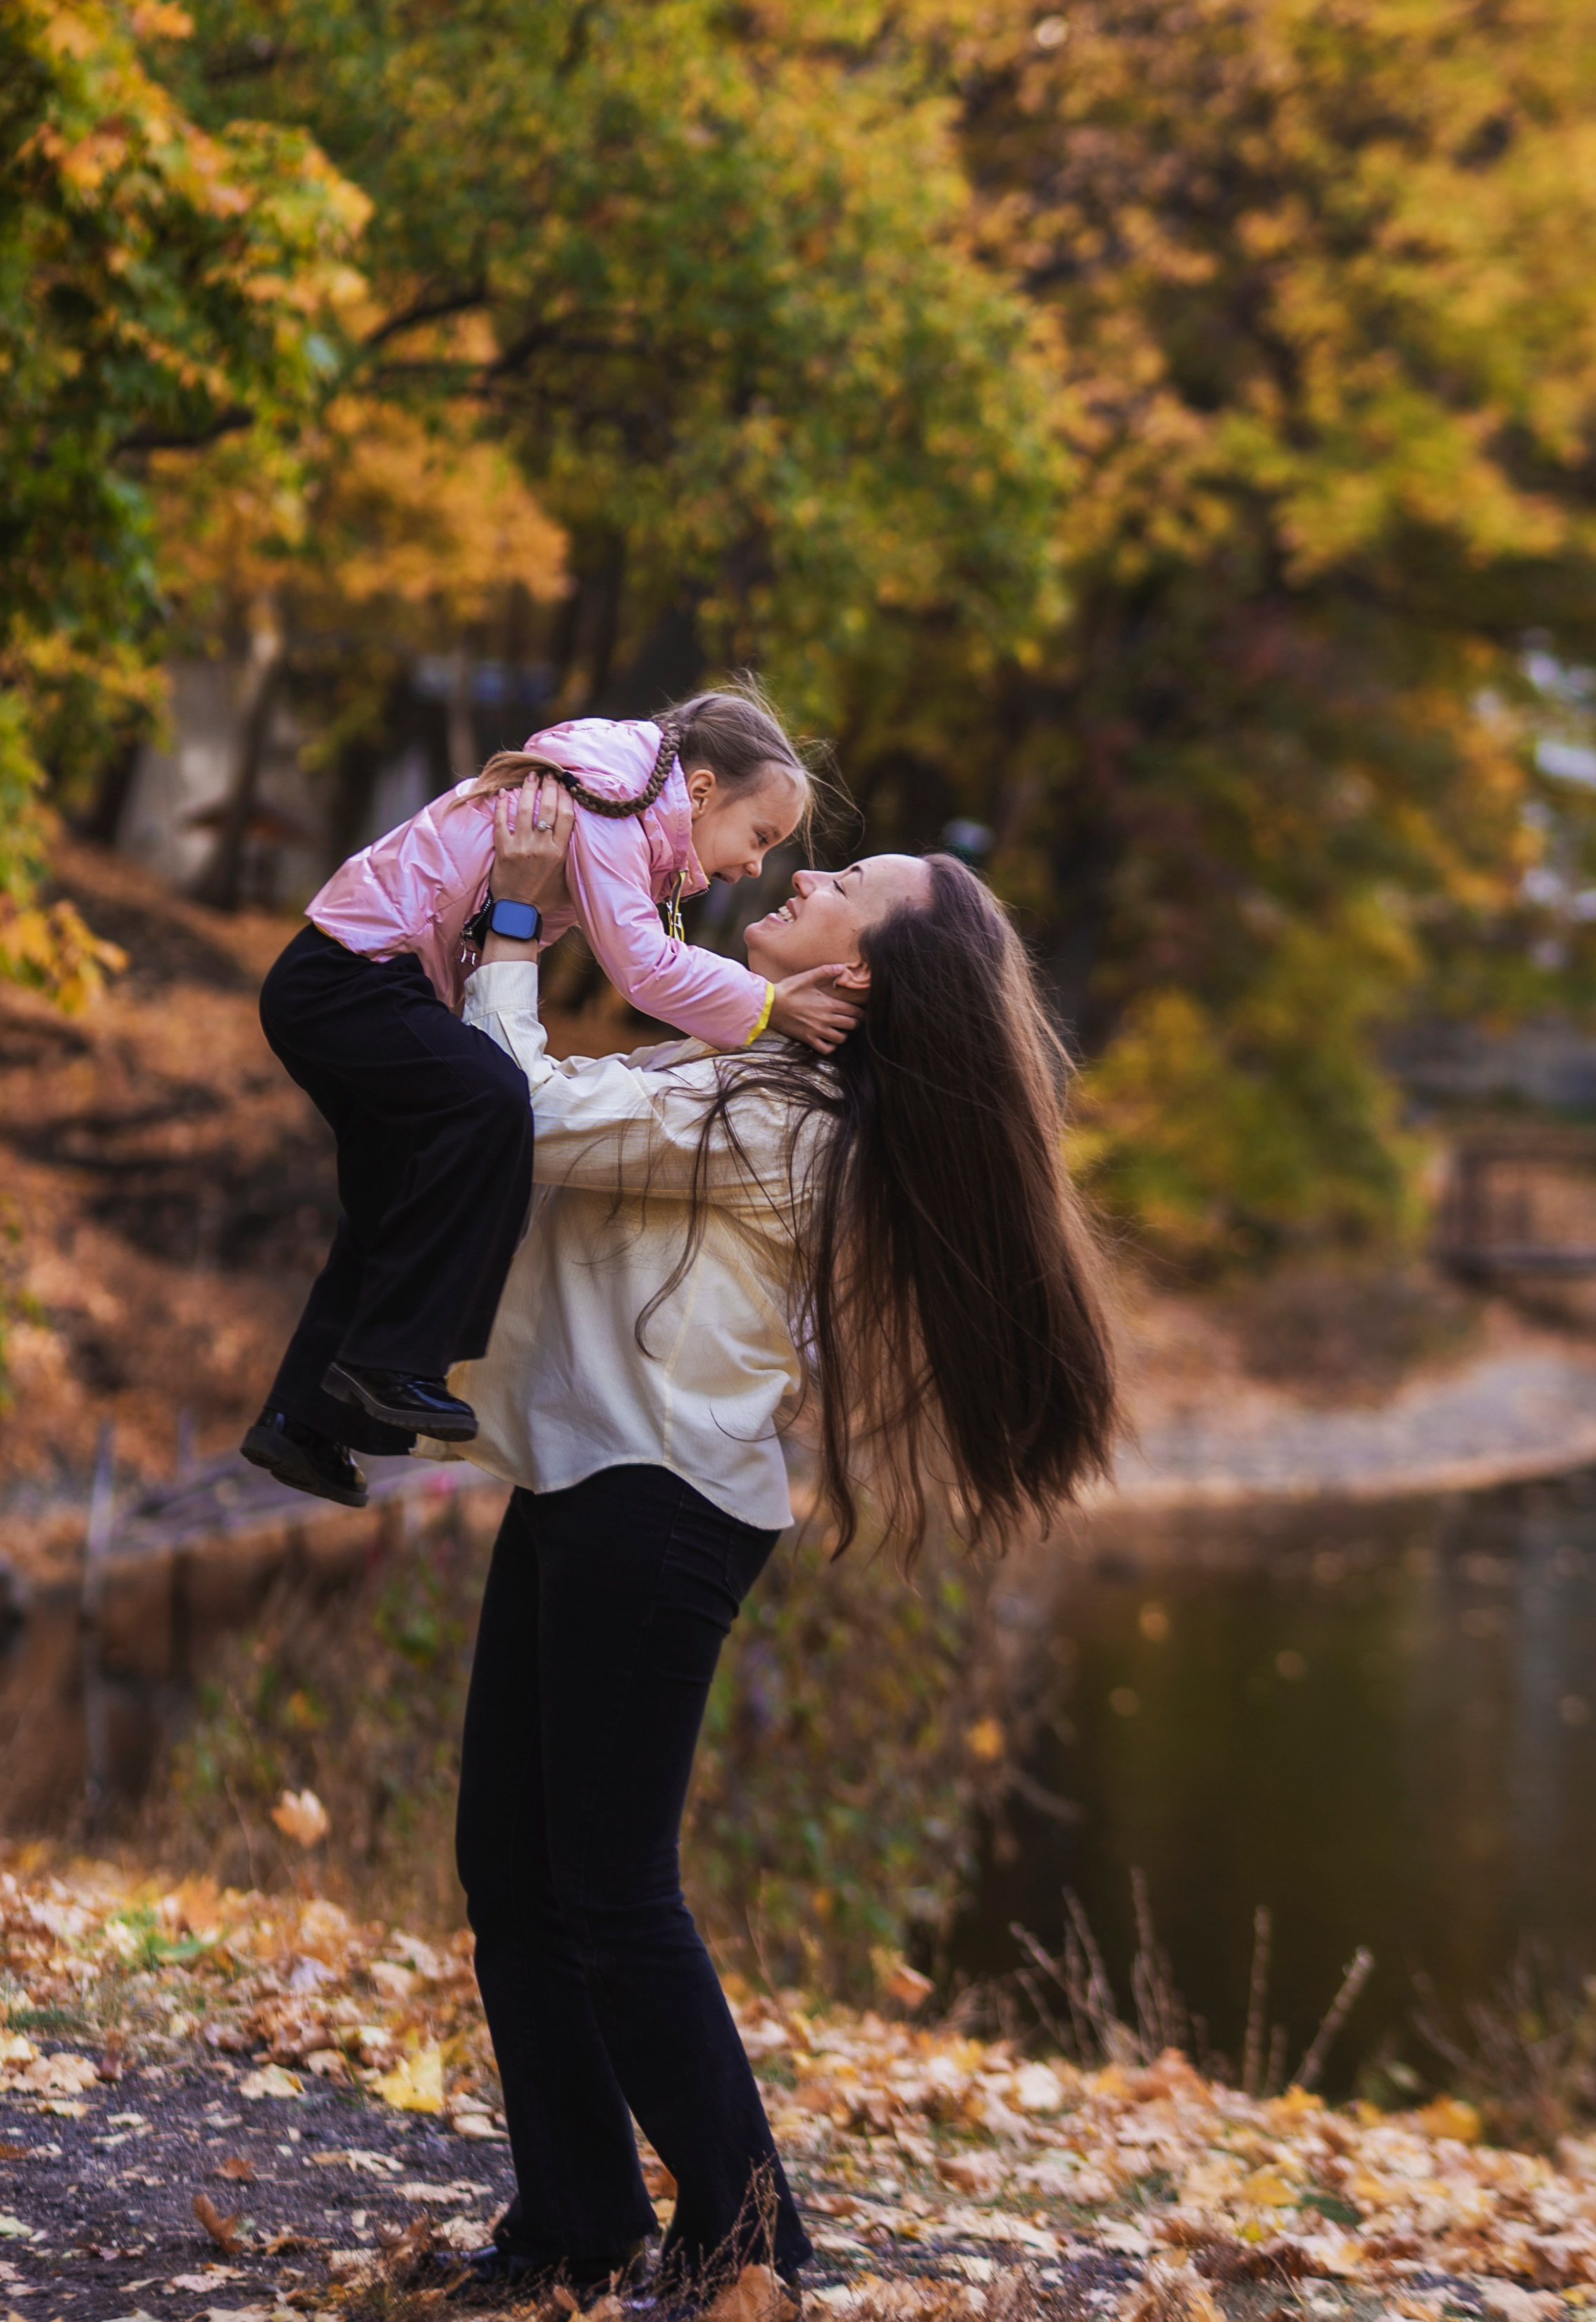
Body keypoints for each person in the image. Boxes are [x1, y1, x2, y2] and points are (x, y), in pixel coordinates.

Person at [433, 781, 1120, 2308]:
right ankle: (575, 2223)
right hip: (592, 1482)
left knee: (606, 1891)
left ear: (859, 975)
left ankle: (749, 2250)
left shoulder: (768, 1111)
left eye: (843, 879)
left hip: (651, 1502)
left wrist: (517, 930)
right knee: (515, 1865)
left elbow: (521, 1115)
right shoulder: (751, 1066)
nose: (805, 870)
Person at [240, 691, 858, 1509]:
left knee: (396, 1193)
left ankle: (301, 1419)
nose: (755, 865)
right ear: (701, 794)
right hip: (353, 975)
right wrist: (770, 1006)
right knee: (495, 1106)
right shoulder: (603, 805)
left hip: (358, 976)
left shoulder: (616, 801)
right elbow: (641, 966)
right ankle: (396, 1363)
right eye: (760, 837)